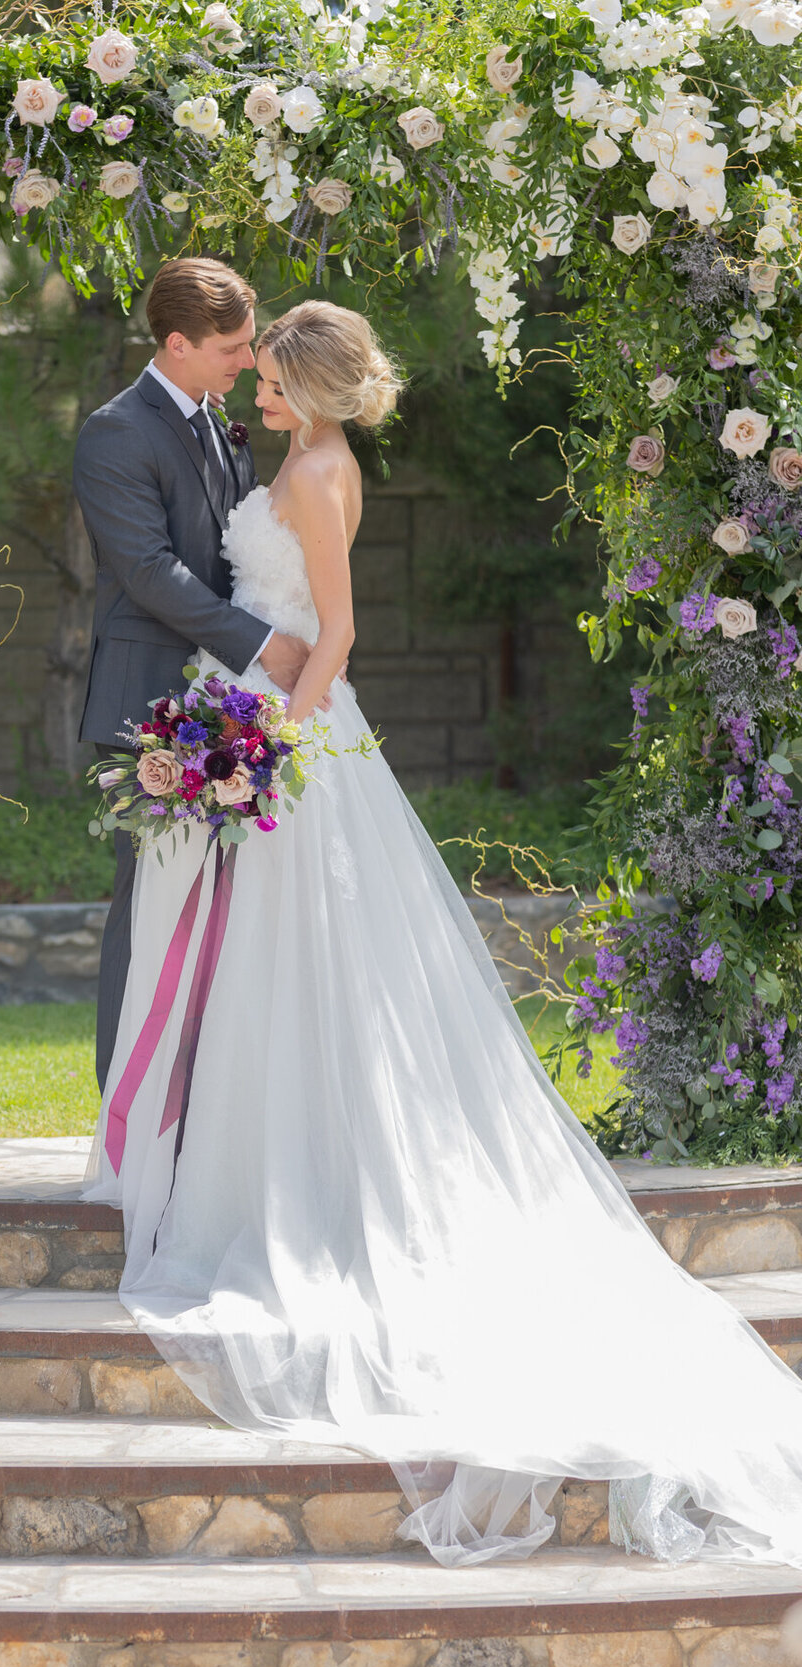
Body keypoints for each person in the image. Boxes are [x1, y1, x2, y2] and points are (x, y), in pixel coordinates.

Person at [83, 297, 802, 1571]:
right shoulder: (307, 458)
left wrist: (271, 751)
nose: (252, 390)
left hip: (294, 740)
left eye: (268, 377)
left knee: (305, 973)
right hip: (273, 724)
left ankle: (293, 1179)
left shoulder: (312, 470)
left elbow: (339, 631)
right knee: (280, 979)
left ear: (304, 386)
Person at [74, 258, 312, 1091]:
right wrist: (263, 645)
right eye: (232, 348)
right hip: (149, 707)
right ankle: (126, 1122)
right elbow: (150, 572)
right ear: (177, 344)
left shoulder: (218, 421)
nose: (248, 363)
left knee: (225, 921)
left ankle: (206, 1110)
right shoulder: (116, 433)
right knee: (148, 914)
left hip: (226, 705)